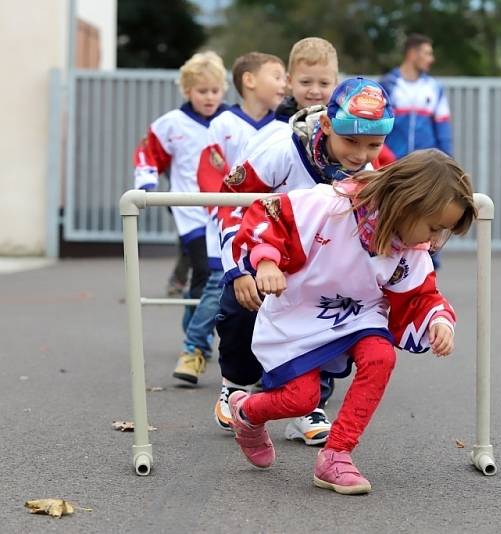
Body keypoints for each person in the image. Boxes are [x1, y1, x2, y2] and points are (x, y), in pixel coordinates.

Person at [226, 149, 476, 495]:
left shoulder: (413, 250)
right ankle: (248, 412)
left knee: (380, 355)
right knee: (301, 399)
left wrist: (439, 321)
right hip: (298, 310)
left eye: (443, 232)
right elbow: (271, 214)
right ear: (407, 203)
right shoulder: (330, 205)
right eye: (434, 227)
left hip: (359, 313)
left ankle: (337, 454)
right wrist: (266, 261)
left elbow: (420, 294)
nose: (434, 241)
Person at [214, 76, 393, 446]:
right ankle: (235, 384)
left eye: (373, 145)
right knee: (240, 311)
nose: (360, 155)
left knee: (329, 323)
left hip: (318, 267)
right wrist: (238, 269)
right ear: (327, 126)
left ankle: (310, 405)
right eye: (351, 142)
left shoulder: (370, 175)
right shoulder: (281, 149)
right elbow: (229, 204)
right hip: (260, 248)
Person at [171, 52, 286, 389]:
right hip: (229, 226)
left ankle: (265, 364)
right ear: (249, 81)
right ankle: (193, 349)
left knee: (266, 296)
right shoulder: (223, 124)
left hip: (270, 230)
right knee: (217, 288)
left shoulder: (283, 126)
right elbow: (210, 171)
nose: (285, 84)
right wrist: (224, 208)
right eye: (277, 76)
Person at [132, 51, 228, 377]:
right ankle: (197, 343)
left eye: (215, 90)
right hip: (189, 210)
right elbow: (148, 155)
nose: (209, 97)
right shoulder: (171, 123)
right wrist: (145, 184)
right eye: (202, 91)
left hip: (225, 210)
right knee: (206, 268)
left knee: (210, 276)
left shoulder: (230, 122)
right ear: (188, 90)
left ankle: (194, 327)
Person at [380, 34, 452, 157]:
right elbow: (377, 128)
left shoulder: (434, 88)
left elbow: (443, 129)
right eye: (427, 54)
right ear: (412, 54)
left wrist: (448, 160)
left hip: (425, 166)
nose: (431, 59)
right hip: (393, 165)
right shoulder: (387, 85)